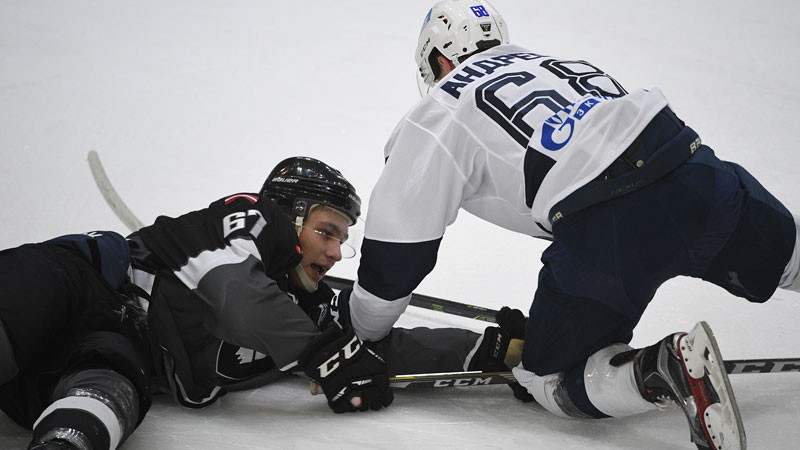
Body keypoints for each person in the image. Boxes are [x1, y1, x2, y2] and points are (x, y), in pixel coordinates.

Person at [339, 1, 800, 449]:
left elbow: (398, 247)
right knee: (789, 253)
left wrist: (362, 332)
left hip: (610, 224)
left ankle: (664, 369)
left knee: (547, 376)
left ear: (439, 60)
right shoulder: (558, 63)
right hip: (696, 170)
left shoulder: (438, 110)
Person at [1, 156, 517, 450]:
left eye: (343, 240)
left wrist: (498, 351)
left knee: (106, 397)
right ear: (288, 215)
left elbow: (379, 348)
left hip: (127, 350)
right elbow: (235, 297)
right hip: (81, 278)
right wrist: (321, 352)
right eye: (326, 231)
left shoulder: (309, 312)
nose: (336, 253)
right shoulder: (252, 220)